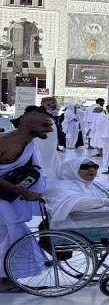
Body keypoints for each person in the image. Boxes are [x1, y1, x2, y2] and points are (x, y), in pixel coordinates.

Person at [0, 111, 53, 291]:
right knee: (12, 234)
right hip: (5, 196)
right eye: (46, 125)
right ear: (28, 125)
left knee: (11, 235)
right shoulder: (3, 141)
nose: (51, 130)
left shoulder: (29, 144)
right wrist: (22, 191)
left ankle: (5, 278)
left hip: (7, 197)